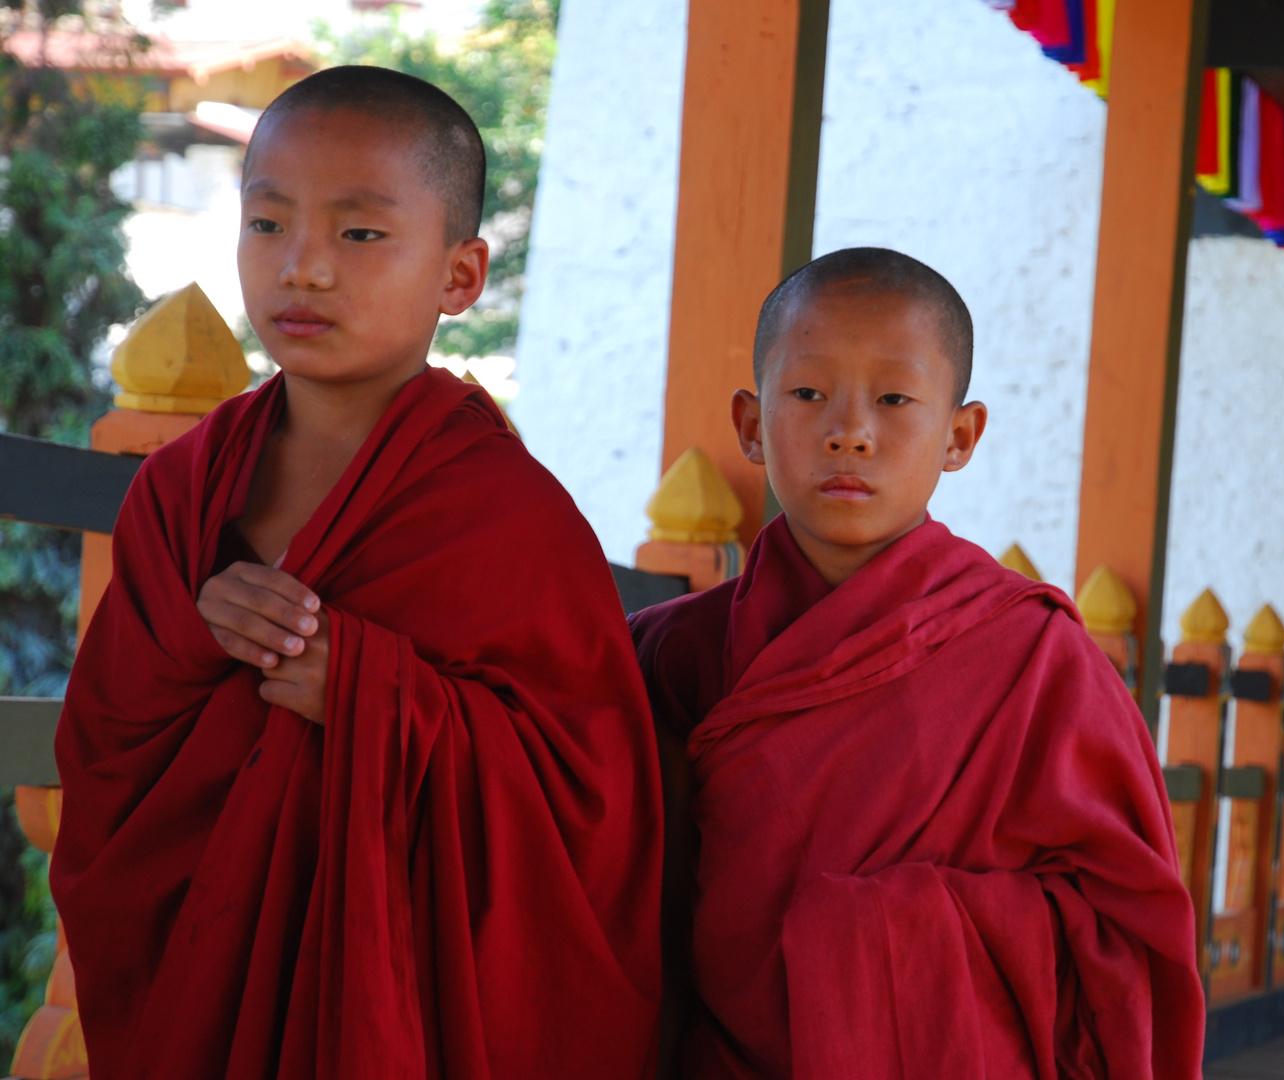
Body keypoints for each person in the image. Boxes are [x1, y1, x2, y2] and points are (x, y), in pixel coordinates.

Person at [52, 67, 662, 1079]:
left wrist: (379, 698)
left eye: (360, 234)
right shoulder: (182, 492)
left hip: (401, 1014)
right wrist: (200, 641)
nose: (304, 269)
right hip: (204, 980)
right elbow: (110, 751)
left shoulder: (507, 517)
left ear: (459, 277)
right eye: (267, 224)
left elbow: (592, 810)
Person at [631, 247, 1204, 1080]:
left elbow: (1123, 933)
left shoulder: (1034, 659)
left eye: (894, 398)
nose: (849, 430)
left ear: (958, 436)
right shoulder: (672, 651)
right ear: (752, 426)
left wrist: (878, 942)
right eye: (807, 394)